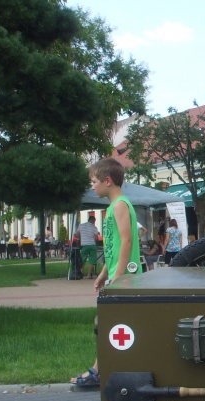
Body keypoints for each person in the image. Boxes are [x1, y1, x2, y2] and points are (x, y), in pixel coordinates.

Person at [71, 157, 142, 386]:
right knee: (107, 322)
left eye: (94, 181)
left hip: (125, 278)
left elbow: (127, 241)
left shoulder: (120, 205)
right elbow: (113, 248)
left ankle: (98, 372)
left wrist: (118, 277)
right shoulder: (113, 207)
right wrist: (104, 273)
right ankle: (102, 370)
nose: (93, 186)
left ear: (107, 181)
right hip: (119, 276)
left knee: (107, 322)